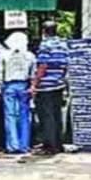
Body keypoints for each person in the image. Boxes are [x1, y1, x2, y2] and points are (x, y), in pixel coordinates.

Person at [0, 31, 37, 155]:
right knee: (24, 116)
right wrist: (32, 87)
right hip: (24, 86)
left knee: (10, 116)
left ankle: (12, 146)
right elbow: (33, 74)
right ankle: (24, 145)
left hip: (9, 87)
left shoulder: (4, 55)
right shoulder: (30, 56)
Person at [29, 21, 68, 156]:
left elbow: (42, 66)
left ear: (44, 31)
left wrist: (34, 84)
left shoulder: (45, 45)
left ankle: (49, 146)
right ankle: (58, 144)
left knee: (46, 116)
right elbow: (66, 64)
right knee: (56, 114)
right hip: (58, 84)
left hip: (46, 86)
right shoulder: (63, 45)